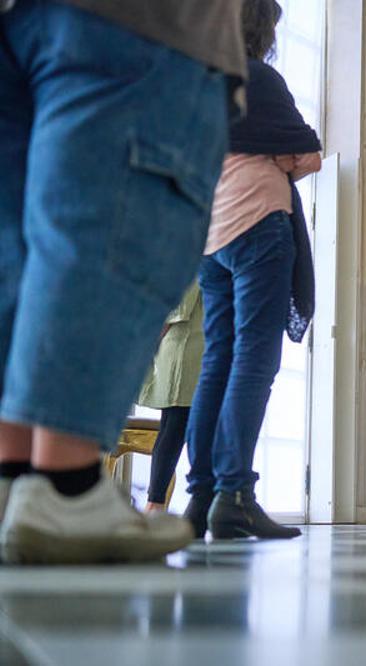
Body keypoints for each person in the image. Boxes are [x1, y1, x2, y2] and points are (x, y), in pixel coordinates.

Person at [0, 0, 243, 564]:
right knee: (113, 221)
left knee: (17, 249)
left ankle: (13, 478)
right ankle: (66, 483)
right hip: (140, 22)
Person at [184, 0, 322, 541]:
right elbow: (308, 154)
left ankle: (201, 497)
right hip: (260, 224)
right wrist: (275, 156)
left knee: (216, 360)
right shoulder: (259, 77)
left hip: (211, 234)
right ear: (262, 29)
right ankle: (235, 495)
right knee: (254, 359)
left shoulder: (198, 77)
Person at [137, 284, 204, 513]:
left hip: (187, 342)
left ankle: (156, 504)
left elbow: (180, 304)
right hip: (186, 343)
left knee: (175, 426)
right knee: (176, 426)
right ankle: (156, 504)